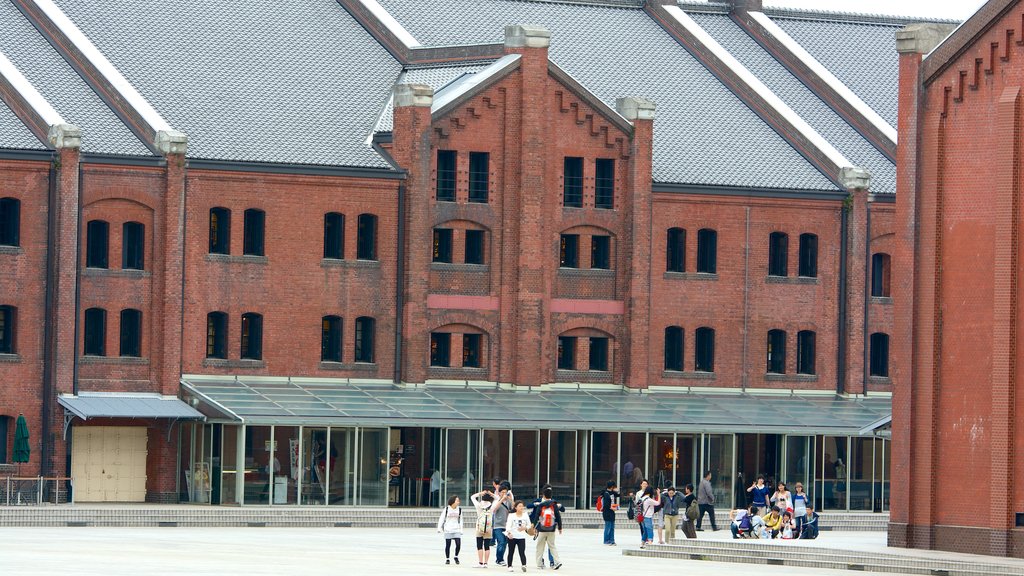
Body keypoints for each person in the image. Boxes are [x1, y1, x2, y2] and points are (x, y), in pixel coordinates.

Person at [528, 485, 562, 568]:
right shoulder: (554, 505)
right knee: (552, 546)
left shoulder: (541, 505)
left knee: (540, 547)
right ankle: (557, 562)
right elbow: (558, 516)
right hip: (552, 529)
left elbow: (536, 517)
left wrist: (533, 525)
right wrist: (560, 527)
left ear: (543, 495)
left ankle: (539, 564)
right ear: (551, 495)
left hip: (542, 529)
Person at [471, 489, 501, 568]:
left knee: (479, 545)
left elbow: (472, 497)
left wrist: (480, 493)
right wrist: (492, 494)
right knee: (487, 546)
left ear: (482, 498)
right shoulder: (492, 506)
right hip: (488, 528)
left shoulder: (478, 505)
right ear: (490, 498)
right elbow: (498, 498)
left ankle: (480, 563)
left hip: (479, 527)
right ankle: (486, 563)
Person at [492, 480, 514, 566]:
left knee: (505, 542)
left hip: (507, 525)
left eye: (505, 492)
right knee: (501, 541)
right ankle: (499, 559)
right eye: (502, 492)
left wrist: (510, 499)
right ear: (499, 493)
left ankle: (500, 558)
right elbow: (494, 510)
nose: (504, 494)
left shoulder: (508, 501)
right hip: (498, 525)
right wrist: (501, 500)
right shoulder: (496, 501)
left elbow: (513, 508)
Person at [504, 500, 531, 572]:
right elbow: (508, 526)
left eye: (522, 506)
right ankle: (509, 566)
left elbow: (529, 525)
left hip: (521, 537)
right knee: (511, 552)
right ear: (515, 507)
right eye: (519, 506)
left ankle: (524, 565)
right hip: (512, 536)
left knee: (522, 551)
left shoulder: (525, 515)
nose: (521, 507)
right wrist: (509, 533)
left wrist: (524, 528)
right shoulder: (511, 515)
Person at [437, 495, 464, 565]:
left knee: (458, 544)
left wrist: (461, 529)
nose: (458, 502)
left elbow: (461, 520)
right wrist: (439, 528)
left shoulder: (459, 509)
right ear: (453, 501)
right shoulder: (447, 509)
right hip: (448, 529)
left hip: (456, 529)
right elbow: (442, 518)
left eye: (458, 500)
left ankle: (456, 556)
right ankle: (447, 558)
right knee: (448, 545)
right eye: (457, 500)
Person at [599, 480, 620, 546]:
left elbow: (618, 495)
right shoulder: (606, 493)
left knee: (612, 527)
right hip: (607, 512)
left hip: (612, 512)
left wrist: (617, 490)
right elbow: (606, 505)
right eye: (614, 486)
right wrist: (613, 508)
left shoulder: (612, 493)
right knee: (608, 527)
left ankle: (612, 540)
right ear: (612, 487)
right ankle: (606, 540)